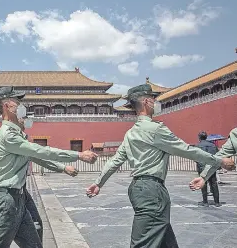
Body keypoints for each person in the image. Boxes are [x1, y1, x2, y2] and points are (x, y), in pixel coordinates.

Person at [85, 84, 235, 248]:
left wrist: (99, 182)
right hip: (152, 190)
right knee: (144, 242)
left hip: (137, 188)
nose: (157, 103)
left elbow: (115, 161)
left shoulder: (131, 133)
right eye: (154, 99)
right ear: (147, 101)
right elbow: (186, 150)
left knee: (165, 240)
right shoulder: (156, 129)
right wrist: (219, 161)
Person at [0, 86, 97, 248]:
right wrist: (78, 155)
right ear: (7, 106)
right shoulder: (8, 135)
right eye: (17, 102)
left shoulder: (12, 135)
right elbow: (39, 151)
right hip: (6, 202)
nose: (21, 107)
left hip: (19, 198)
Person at [0, 117, 79, 241]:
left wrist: (63, 167)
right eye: (22, 119)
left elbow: (37, 157)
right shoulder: (9, 138)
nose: (25, 122)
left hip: (22, 192)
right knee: (1, 236)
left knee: (37, 224)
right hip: (8, 195)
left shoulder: (22, 139)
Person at [195, 131, 220, 207]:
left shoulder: (198, 146)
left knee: (203, 184)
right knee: (214, 184)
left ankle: (205, 202)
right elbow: (217, 155)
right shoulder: (213, 145)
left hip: (201, 167)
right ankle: (217, 202)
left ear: (199, 137)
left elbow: (195, 157)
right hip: (211, 167)